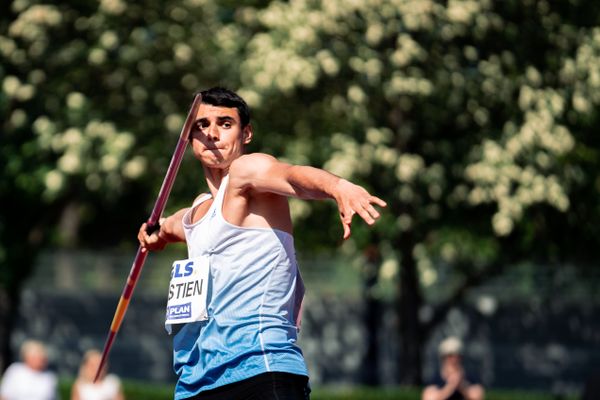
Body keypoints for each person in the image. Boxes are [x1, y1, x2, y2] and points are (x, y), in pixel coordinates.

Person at [138, 87, 386, 400]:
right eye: (201, 126)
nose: (212, 133)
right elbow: (172, 226)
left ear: (246, 134)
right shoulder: (198, 212)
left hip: (258, 371)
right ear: (189, 139)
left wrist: (337, 187)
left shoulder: (246, 173)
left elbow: (291, 175)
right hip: (196, 383)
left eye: (225, 124)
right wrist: (154, 234)